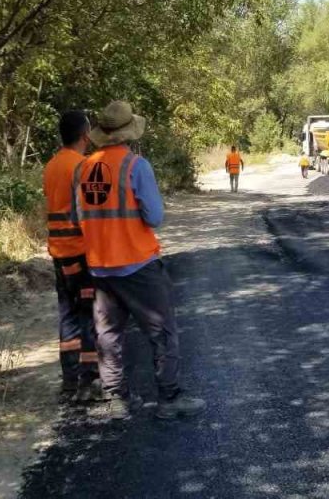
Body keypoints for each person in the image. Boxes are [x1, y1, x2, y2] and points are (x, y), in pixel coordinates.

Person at [73, 100, 206, 421]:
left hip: (101, 267)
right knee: (161, 331)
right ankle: (169, 397)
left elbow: (79, 219)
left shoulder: (83, 168)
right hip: (137, 265)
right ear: (129, 132)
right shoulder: (135, 166)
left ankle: (115, 399)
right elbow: (155, 217)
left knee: (109, 334)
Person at [41, 110, 101, 403]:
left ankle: (69, 381)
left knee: (67, 316)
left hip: (58, 253)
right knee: (88, 314)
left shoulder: (51, 165)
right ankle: (89, 380)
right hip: (80, 252)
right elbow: (87, 211)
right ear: (84, 135)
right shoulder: (83, 166)